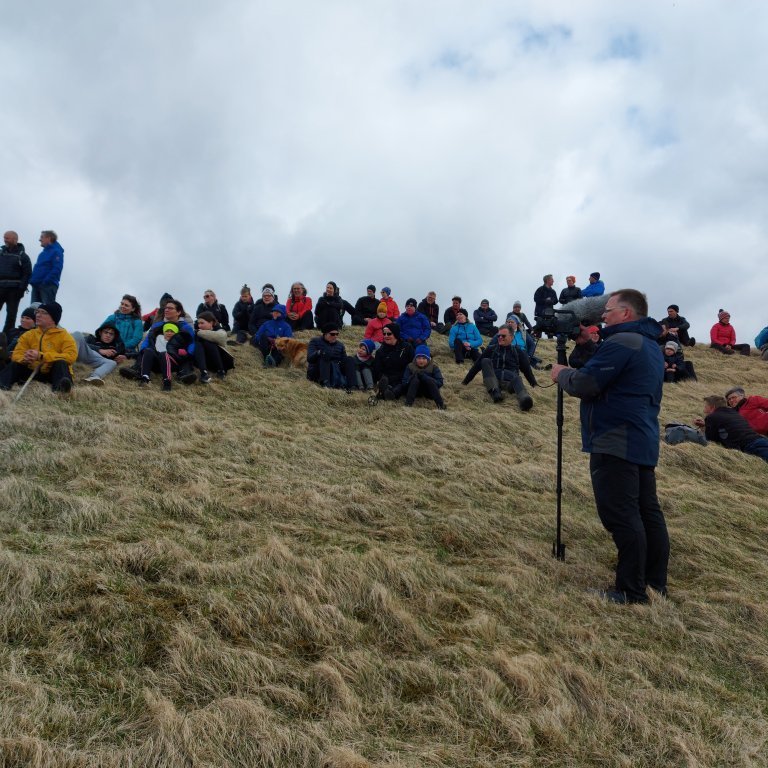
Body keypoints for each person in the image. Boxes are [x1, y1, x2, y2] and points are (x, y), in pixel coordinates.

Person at [551, 289, 669, 605]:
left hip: (615, 438)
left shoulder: (622, 342)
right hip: (640, 437)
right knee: (647, 511)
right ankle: (654, 583)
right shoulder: (647, 344)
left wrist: (562, 374)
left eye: (609, 310)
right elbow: (613, 373)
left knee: (621, 514)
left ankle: (631, 591)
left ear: (626, 313)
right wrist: (585, 345)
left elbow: (586, 383)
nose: (603, 316)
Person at [0, 302, 76, 394]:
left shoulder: (65, 336)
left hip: (52, 374)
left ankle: (61, 391)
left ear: (53, 318)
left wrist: (42, 356)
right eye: (37, 312)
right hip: (32, 371)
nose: (38, 315)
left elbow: (70, 356)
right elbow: (16, 354)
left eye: (43, 312)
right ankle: (2, 388)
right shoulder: (29, 335)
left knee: (61, 363)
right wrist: (25, 358)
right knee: (15, 364)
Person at [462, 326, 533, 410]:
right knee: (485, 361)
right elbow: (476, 366)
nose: (500, 337)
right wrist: (465, 382)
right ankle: (495, 392)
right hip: (493, 380)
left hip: (510, 382)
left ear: (511, 337)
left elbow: (527, 369)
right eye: (498, 336)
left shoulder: (518, 351)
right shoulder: (490, 349)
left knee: (518, 379)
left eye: (503, 336)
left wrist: (534, 384)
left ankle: (525, 401)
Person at [137, 299, 197, 389]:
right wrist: (143, 349)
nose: (166, 310)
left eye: (170, 308)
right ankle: (141, 374)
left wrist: (187, 353)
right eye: (166, 308)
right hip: (156, 356)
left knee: (179, 357)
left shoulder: (185, 327)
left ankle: (181, 374)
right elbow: (148, 340)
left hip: (175, 358)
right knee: (147, 351)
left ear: (178, 312)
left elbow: (191, 342)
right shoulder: (157, 325)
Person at [694, 396, 768, 462]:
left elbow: (711, 441)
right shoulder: (734, 413)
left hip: (751, 446)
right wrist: (706, 425)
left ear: (712, 407)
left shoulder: (712, 417)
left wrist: (704, 427)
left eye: (706, 407)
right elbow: (728, 426)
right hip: (760, 440)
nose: (704, 410)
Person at [72, 321, 127, 385]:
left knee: (112, 363)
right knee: (77, 334)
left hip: (98, 360)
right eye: (106, 332)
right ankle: (67, 364)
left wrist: (125, 356)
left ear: (114, 336)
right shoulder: (91, 338)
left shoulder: (116, 346)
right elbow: (82, 344)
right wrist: (99, 350)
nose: (108, 335)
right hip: (85, 353)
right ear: (100, 333)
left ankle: (94, 377)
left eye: (111, 334)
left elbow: (132, 353)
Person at [306, 323, 357, 390]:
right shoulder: (315, 341)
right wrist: (319, 352)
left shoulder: (340, 345)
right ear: (325, 334)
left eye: (337, 334)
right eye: (332, 334)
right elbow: (310, 358)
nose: (335, 336)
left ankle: (352, 385)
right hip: (317, 371)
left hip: (335, 370)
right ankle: (326, 384)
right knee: (325, 354)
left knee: (350, 359)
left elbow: (344, 360)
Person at [0, 231, 32, 335]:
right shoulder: (1, 253)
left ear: (15, 239)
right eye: (4, 238)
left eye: (7, 238)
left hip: (14, 290)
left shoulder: (23, 256)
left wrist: (21, 289)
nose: (5, 240)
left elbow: (27, 273)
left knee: (11, 315)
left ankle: (6, 337)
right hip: (1, 287)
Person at [373, 322, 414, 400]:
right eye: (384, 334)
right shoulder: (380, 351)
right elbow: (378, 369)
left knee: (402, 384)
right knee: (385, 380)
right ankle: (386, 391)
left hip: (403, 377)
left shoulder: (407, 347)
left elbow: (412, 364)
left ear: (396, 334)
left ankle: (390, 393)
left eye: (389, 334)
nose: (386, 336)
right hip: (388, 378)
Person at [194, 311, 234, 382]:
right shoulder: (196, 332)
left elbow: (220, 337)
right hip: (206, 362)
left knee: (208, 343)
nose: (199, 326)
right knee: (198, 344)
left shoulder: (219, 330)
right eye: (198, 323)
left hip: (223, 361)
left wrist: (199, 332)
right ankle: (204, 373)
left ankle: (221, 371)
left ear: (211, 323)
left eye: (202, 323)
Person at [401, 345, 446, 409]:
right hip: (414, 391)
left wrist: (425, 377)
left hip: (429, 392)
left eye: (424, 358)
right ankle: (408, 404)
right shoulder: (410, 366)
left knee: (429, 380)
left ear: (428, 358)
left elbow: (440, 383)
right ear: (415, 358)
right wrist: (413, 377)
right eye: (419, 358)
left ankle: (441, 405)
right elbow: (404, 383)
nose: (421, 361)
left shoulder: (434, 367)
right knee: (415, 379)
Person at [29, 230, 64, 305]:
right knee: (33, 310)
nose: (39, 239)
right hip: (36, 286)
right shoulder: (42, 253)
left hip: (48, 286)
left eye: (42, 237)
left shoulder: (56, 251)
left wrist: (46, 281)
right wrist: (32, 280)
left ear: (49, 238)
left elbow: (57, 268)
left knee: (46, 309)